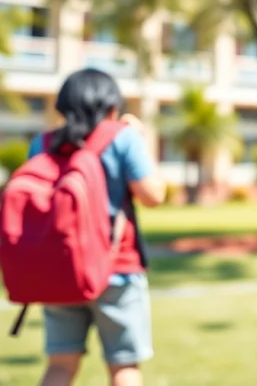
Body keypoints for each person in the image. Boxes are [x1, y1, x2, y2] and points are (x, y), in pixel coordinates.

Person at [30, 68, 167, 386]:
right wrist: (140, 140)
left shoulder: (43, 143)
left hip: (60, 271)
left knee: (60, 366)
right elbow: (153, 196)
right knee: (123, 367)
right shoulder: (122, 137)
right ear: (111, 105)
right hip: (116, 269)